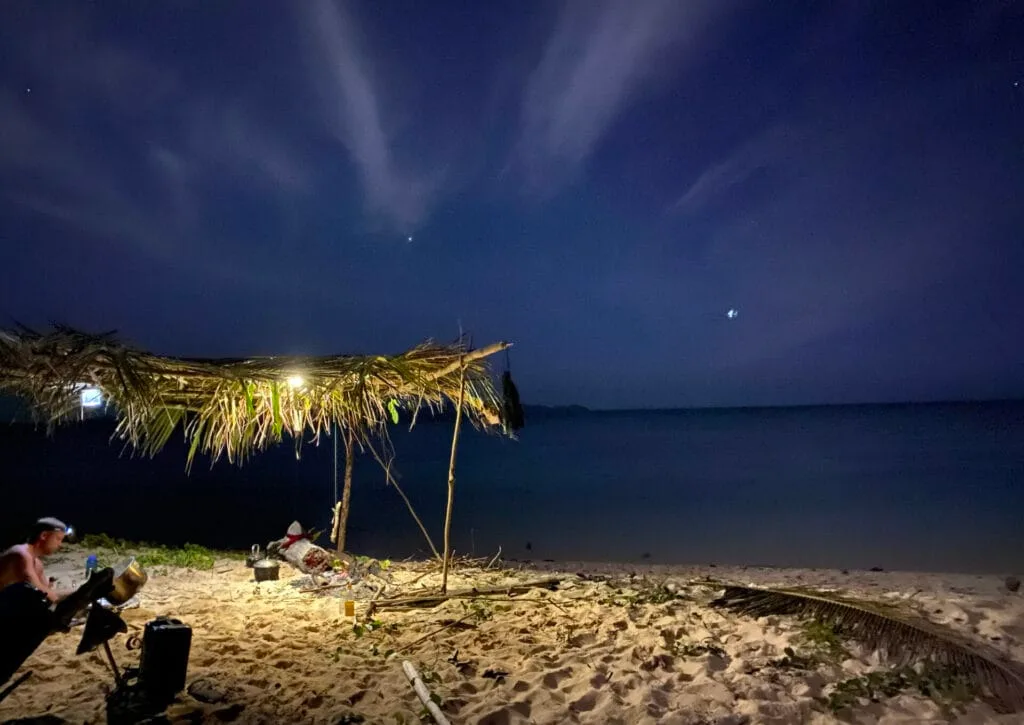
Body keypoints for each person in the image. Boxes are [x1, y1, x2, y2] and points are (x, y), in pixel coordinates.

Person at [0, 517, 70, 603]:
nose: (60, 545)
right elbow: (42, 593)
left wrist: (77, 593)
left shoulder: (37, 564)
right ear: (44, 535)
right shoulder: (21, 554)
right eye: (58, 539)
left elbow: (47, 591)